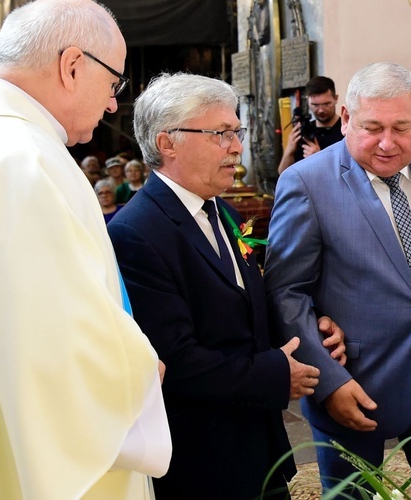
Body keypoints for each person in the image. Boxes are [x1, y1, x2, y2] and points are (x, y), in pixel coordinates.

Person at [0, 0, 172, 498]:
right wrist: (138, 366)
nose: (114, 104)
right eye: (114, 82)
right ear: (72, 66)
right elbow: (52, 342)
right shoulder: (25, 160)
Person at [107, 72, 347, 499]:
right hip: (204, 459)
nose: (236, 146)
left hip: (256, 444)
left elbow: (246, 307)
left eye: (236, 132)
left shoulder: (222, 211)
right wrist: (276, 374)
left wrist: (313, 327)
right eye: (221, 133)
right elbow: (173, 360)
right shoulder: (136, 233)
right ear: (167, 143)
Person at [265, 62, 411, 498]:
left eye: (401, 128)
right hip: (353, 388)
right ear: (347, 118)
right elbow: (286, 292)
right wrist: (329, 381)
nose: (388, 144)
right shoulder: (306, 182)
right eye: (371, 127)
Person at [277, 75, 344, 174]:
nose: (321, 110)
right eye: (315, 105)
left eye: (326, 104)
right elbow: (283, 173)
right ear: (308, 101)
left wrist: (319, 158)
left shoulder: (346, 130)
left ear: (336, 99)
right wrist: (289, 150)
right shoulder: (304, 130)